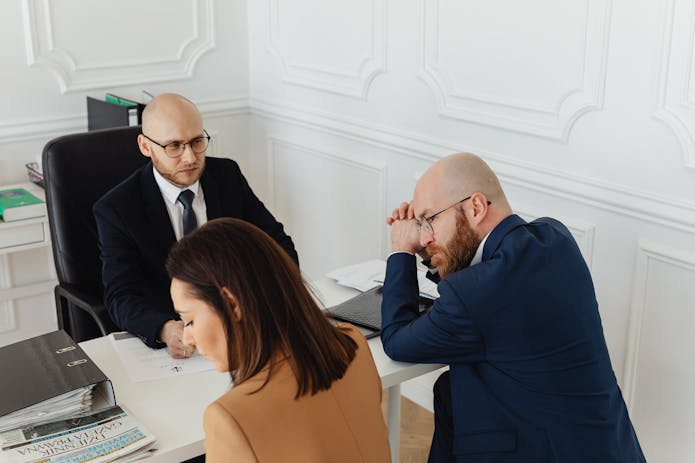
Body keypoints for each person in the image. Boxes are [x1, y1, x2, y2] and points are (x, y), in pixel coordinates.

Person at [382, 152, 645, 462]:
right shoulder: (555, 237)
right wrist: (432, 247)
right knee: (451, 391)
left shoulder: (477, 293)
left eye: (430, 219)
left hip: (547, 452)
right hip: (608, 445)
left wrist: (401, 251)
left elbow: (398, 340)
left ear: (476, 207)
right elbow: (478, 284)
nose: (424, 236)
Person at [166, 218, 391, 463]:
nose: (188, 339)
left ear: (231, 304)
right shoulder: (352, 342)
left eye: (189, 320)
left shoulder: (231, 417)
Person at [94, 93, 298, 358]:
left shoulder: (227, 176)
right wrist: (164, 329)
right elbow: (121, 295)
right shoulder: (117, 209)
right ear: (145, 146)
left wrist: (262, 302)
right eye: (174, 146)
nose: (190, 157)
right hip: (179, 343)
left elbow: (277, 246)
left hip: (239, 329)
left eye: (197, 141)